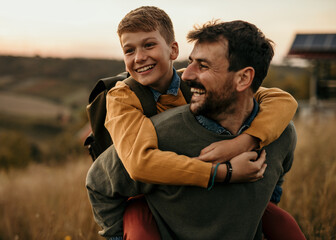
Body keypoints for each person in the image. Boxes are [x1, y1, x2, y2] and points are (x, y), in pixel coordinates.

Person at [86, 16, 305, 239]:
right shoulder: (122, 97)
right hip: (143, 193)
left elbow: (281, 100)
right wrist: (223, 172)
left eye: (149, 45)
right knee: (139, 228)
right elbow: (138, 164)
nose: (139, 57)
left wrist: (244, 141)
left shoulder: (188, 84)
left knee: (283, 224)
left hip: (190, 193)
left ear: (173, 51)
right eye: (129, 50)